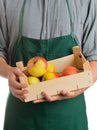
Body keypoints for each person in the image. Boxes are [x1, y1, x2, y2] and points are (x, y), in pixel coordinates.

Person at [0, 0, 97, 130]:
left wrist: (78, 89)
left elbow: (94, 57)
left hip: (69, 115)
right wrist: (7, 71)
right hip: (22, 114)